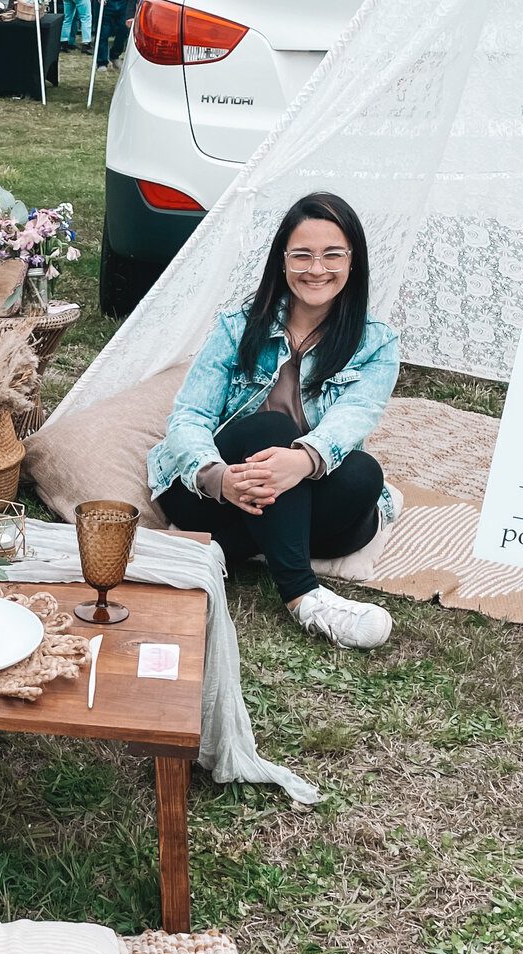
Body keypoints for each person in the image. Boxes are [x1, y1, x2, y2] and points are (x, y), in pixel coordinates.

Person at [148, 190, 401, 649]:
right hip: (216, 491)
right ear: (281, 261)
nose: (316, 269)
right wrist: (217, 476)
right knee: (274, 429)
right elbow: (189, 416)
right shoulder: (236, 326)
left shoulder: (376, 343)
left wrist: (301, 463)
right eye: (302, 255)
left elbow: (353, 418)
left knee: (364, 474)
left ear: (353, 262)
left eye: (332, 255)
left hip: (301, 488)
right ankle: (303, 596)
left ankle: (223, 550)